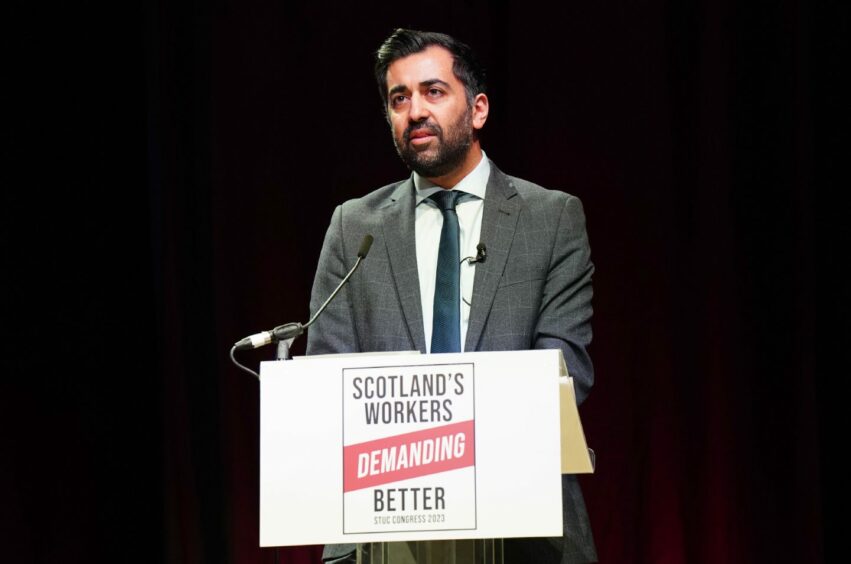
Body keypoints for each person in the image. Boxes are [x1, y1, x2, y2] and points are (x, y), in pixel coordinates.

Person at [306, 28, 597, 564]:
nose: (414, 110)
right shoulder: (353, 227)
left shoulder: (551, 219)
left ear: (478, 109)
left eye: (433, 91)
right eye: (399, 98)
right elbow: (329, 381)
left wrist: (443, 447)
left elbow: (564, 374)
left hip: (524, 527)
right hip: (381, 526)